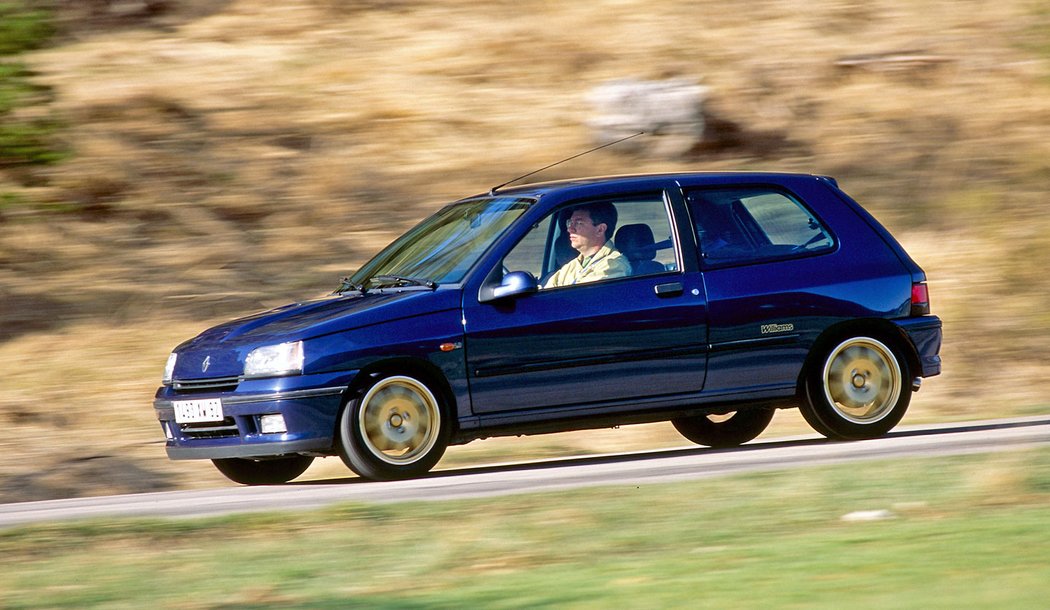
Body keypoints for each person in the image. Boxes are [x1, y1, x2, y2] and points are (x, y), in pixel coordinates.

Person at [543, 202, 630, 288]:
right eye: (570, 223)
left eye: (579, 223)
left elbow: (583, 298)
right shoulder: (573, 265)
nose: (570, 229)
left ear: (600, 229)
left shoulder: (613, 266)